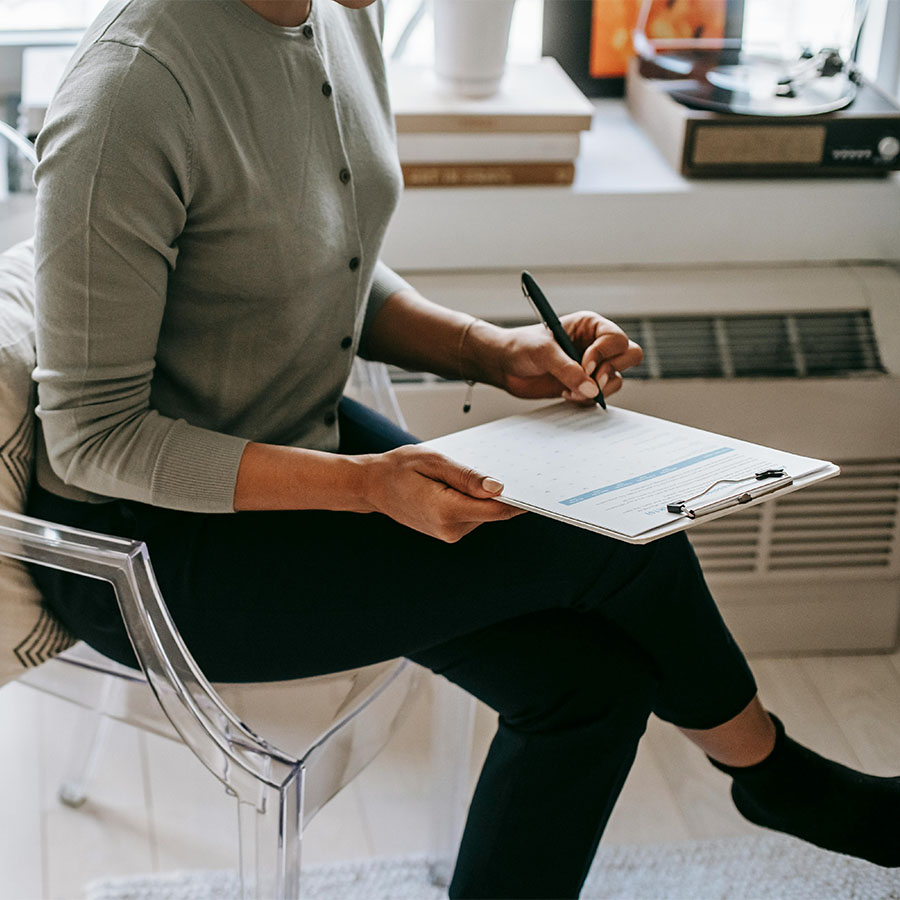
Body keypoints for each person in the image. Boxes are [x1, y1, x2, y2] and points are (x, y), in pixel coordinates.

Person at [26, 1, 900, 897]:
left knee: (589, 687)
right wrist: (367, 488)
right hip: (149, 552)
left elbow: (319, 265)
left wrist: (493, 350)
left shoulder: (334, 14)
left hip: (300, 437)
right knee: (625, 544)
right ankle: (782, 782)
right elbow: (95, 438)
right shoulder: (131, 92)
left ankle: (776, 783)